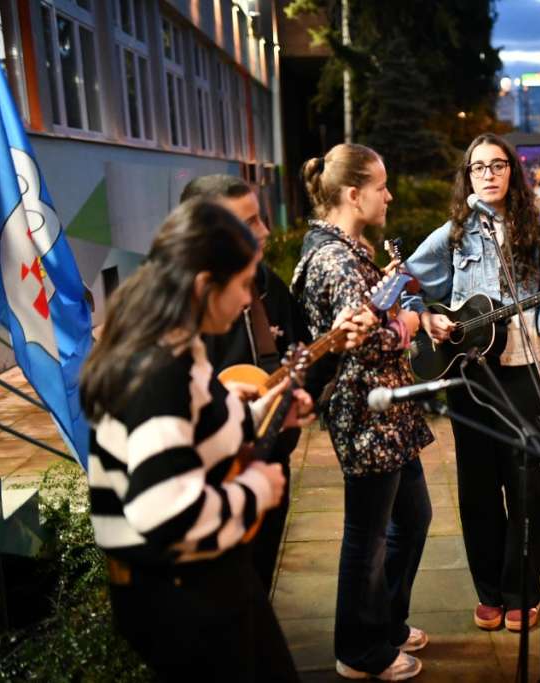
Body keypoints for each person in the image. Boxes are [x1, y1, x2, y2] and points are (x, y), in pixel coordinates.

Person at [81, 200, 315, 681]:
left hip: (202, 582)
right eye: (243, 284)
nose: (249, 299)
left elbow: (193, 431)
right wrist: (257, 489)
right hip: (182, 599)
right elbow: (166, 512)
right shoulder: (160, 371)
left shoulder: (176, 347)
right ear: (206, 286)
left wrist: (260, 415)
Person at [402, 132, 540, 632]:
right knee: (478, 488)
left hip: (523, 371)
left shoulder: (539, 235)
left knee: (527, 484)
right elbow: (406, 282)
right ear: (468, 176)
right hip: (470, 375)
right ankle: (489, 591)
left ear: (512, 172)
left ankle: (523, 589)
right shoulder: (454, 233)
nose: (488, 174)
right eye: (478, 167)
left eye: (497, 165)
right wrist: (427, 315)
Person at [178, 174, 374, 591]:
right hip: (211, 493)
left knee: (256, 591)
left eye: (262, 218)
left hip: (267, 464)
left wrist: (331, 349)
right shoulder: (166, 318)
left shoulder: (267, 287)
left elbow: (302, 365)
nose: (265, 231)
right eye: (250, 222)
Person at [292, 144, 434, 681]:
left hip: (390, 414)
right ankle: (359, 651)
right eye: (381, 186)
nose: (389, 196)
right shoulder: (335, 259)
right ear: (354, 195)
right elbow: (367, 343)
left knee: (412, 518)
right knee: (367, 537)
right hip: (367, 416)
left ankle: (386, 624)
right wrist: (409, 324)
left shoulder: (351, 251)